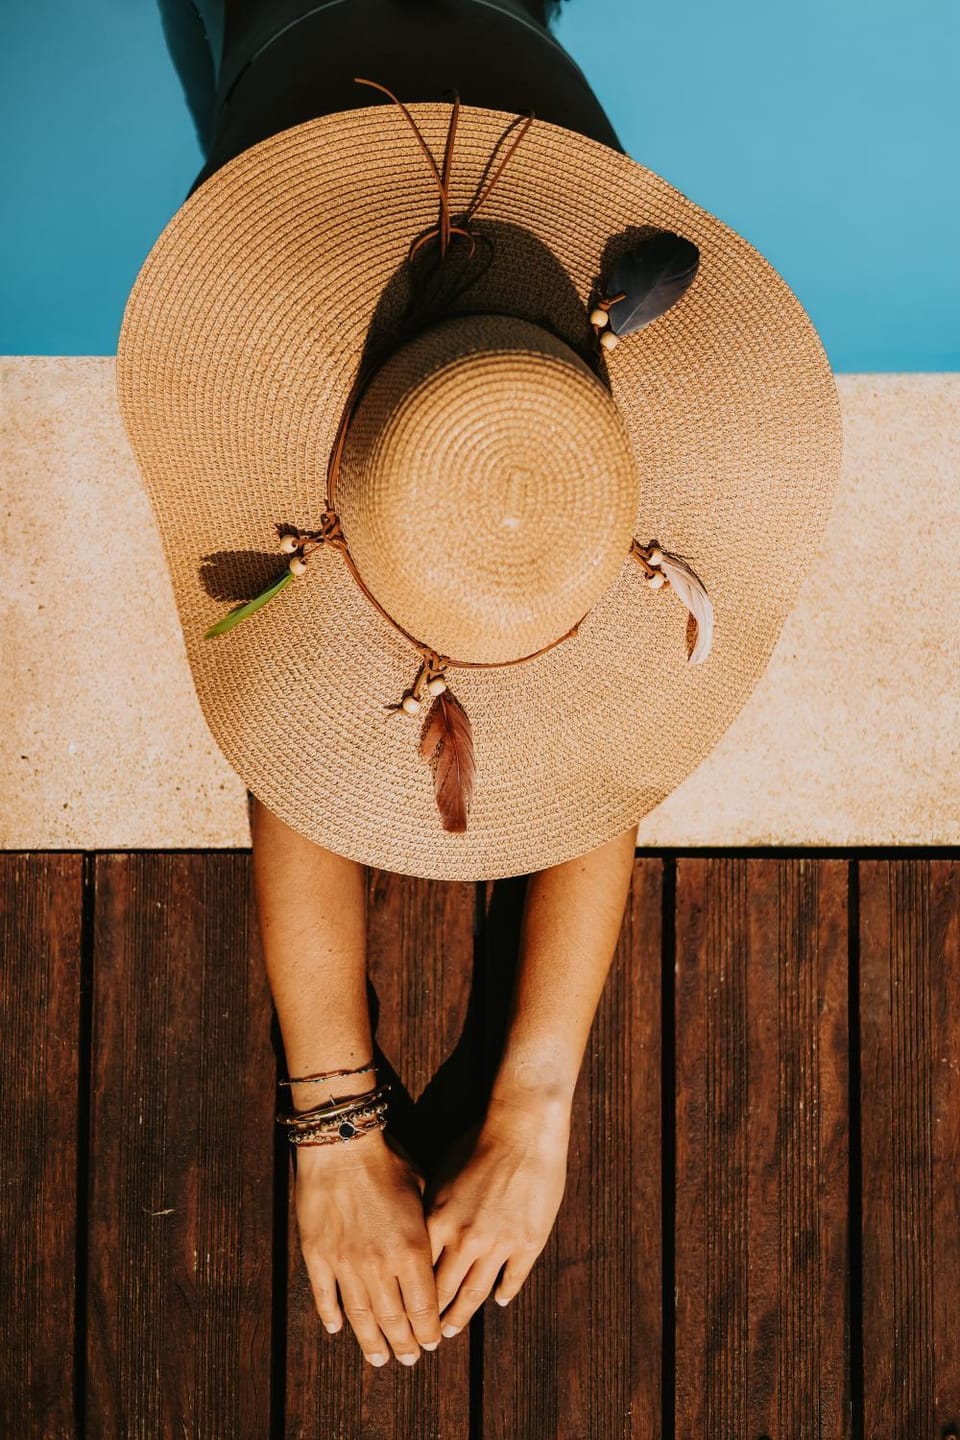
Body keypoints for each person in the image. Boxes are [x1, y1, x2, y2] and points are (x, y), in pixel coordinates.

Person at [162, 0, 640, 1370]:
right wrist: (334, 1125)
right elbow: (292, 718)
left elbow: (605, 721)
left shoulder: (549, 436)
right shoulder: (297, 369)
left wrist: (533, 1105)